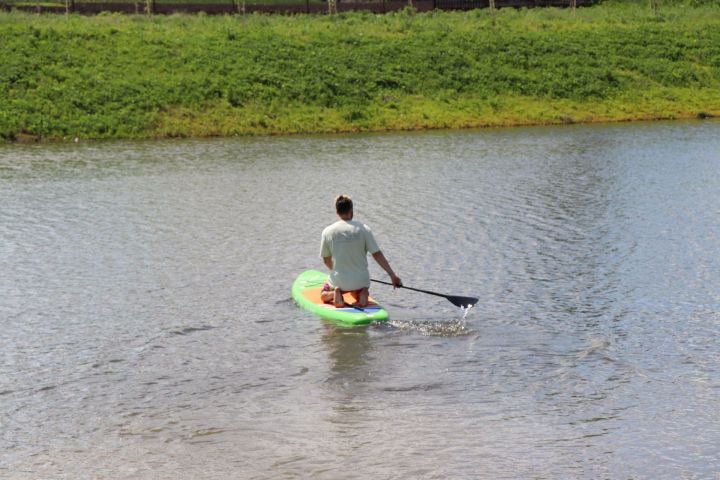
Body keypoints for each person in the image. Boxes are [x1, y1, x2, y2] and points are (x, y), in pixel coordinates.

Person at [320, 195, 402, 308]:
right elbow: (377, 254)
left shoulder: (327, 231)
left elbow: (326, 259)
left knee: (323, 295)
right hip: (361, 281)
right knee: (358, 288)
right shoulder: (364, 229)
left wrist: (335, 270)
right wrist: (392, 275)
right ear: (351, 211)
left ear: (337, 212)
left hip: (339, 281)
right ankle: (363, 293)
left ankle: (336, 293)